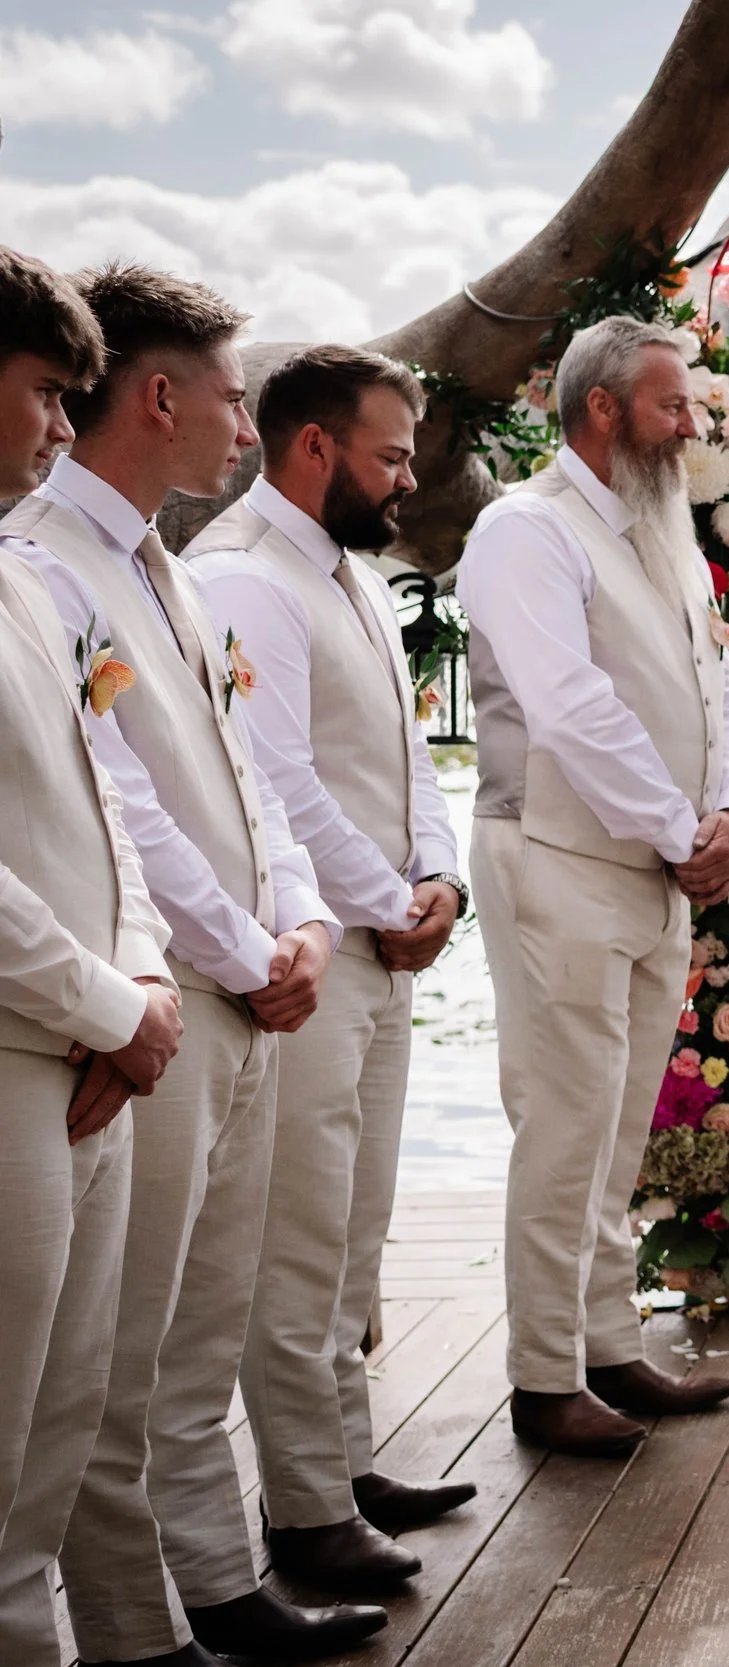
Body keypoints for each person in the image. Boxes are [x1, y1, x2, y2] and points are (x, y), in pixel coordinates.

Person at [0, 264, 385, 1667]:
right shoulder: (43, 560)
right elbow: (122, 802)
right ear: (159, 395)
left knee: (195, 1334)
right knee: (107, 1362)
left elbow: (243, 769)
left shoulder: (167, 563)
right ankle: (132, 1630)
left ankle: (213, 1584)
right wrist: (220, 960)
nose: (244, 426)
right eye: (230, 395)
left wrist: (304, 923)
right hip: (156, 1002)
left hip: (231, 989)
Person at [187, 346, 476, 1589]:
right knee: (299, 1242)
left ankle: (349, 1464)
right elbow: (278, 784)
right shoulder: (246, 581)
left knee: (357, 1230)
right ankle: (305, 1510)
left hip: (384, 947)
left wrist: (443, 882)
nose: (408, 479)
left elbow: (409, 767)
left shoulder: (348, 577)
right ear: (314, 447)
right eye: (392, 454)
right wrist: (386, 901)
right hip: (318, 951)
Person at [461, 316, 729, 1460]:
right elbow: (570, 704)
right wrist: (680, 824)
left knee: (621, 1123)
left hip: (657, 869)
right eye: (671, 404)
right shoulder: (524, 531)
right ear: (602, 409)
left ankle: (604, 1338)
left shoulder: (661, 533)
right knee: (562, 1119)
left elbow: (721, 685)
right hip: (557, 862)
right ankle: (544, 1378)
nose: (691, 423)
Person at [0, 247, 184, 1667]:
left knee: (56, 1433)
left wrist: (144, 977)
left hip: (93, 1049)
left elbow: (105, 790)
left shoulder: (25, 588)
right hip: (19, 1055)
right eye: (48, 394)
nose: (65, 427)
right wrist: (108, 1000)